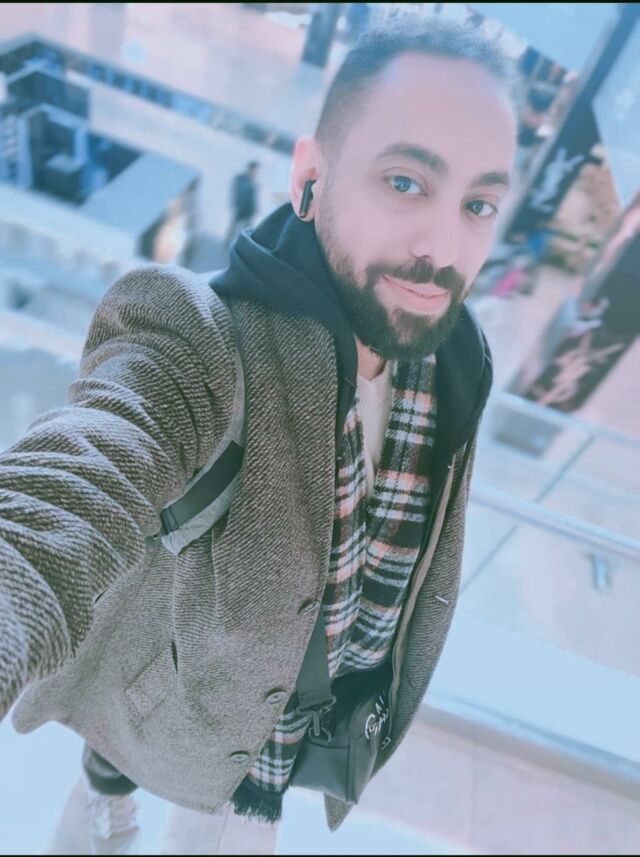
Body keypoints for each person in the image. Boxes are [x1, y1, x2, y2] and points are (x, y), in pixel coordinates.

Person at [0, 16, 518, 855]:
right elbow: (76, 480)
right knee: (118, 773)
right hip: (184, 689)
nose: (443, 246)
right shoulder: (204, 333)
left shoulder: (457, 357)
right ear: (311, 175)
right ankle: (100, 809)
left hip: (292, 720)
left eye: (479, 204)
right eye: (404, 181)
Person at [224, 160, 260, 248]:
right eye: (254, 170)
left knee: (246, 230)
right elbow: (239, 193)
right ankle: (228, 243)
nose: (256, 172)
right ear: (250, 169)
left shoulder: (252, 182)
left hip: (248, 211)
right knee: (235, 227)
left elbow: (252, 198)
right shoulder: (242, 179)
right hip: (241, 208)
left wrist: (255, 209)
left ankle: (238, 245)